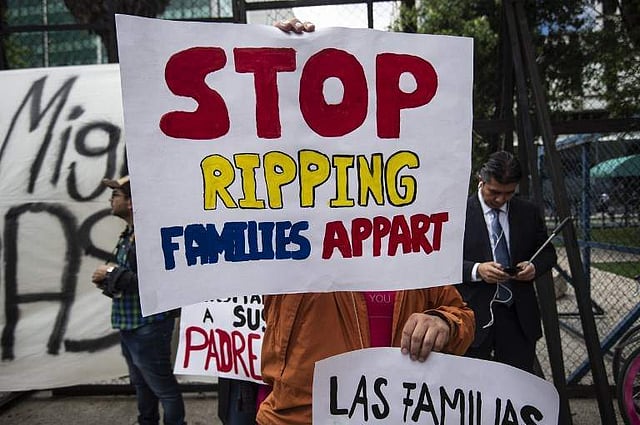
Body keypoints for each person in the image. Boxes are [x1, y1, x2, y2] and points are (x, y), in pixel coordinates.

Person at [91, 175, 186, 425]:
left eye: (116, 195)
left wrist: (110, 273)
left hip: (148, 325)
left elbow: (153, 281)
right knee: (142, 384)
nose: (111, 200)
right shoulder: (131, 233)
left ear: (132, 202)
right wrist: (110, 275)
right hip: (133, 324)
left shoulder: (148, 235)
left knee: (163, 387)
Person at [458, 151, 557, 374]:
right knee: (472, 381)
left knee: (517, 380)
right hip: (472, 313)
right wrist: (477, 270)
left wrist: (533, 267)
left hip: (518, 316)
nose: (501, 199)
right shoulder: (457, 214)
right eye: (494, 192)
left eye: (509, 193)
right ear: (481, 180)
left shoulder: (527, 212)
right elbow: (441, 262)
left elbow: (547, 253)